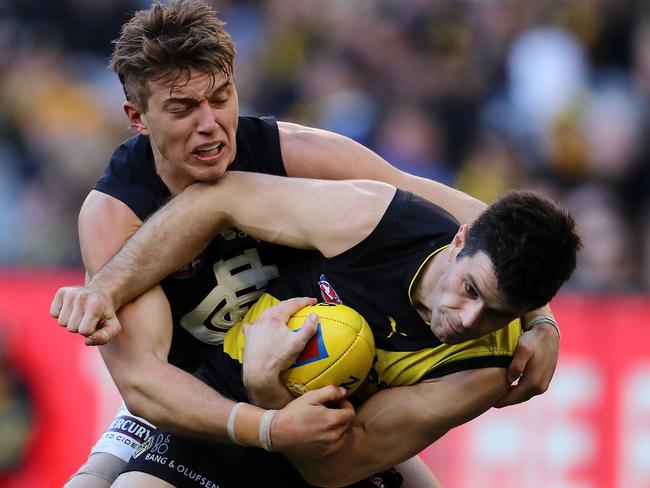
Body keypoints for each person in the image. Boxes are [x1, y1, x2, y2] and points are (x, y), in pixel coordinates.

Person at [52, 0, 561, 485]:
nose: (209, 125)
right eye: (183, 108)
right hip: (200, 395)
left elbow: (478, 220)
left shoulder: (299, 154)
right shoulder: (115, 215)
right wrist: (268, 421)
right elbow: (145, 384)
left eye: (221, 98)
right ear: (138, 118)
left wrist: (541, 318)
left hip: (328, 387)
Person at [52, 172, 580, 487]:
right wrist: (106, 289)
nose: (468, 321)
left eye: (498, 314)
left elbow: (336, 467)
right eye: (469, 289)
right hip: (211, 395)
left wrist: (269, 393)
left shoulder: (486, 371)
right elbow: (217, 198)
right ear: (459, 239)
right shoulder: (370, 216)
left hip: (317, 462)